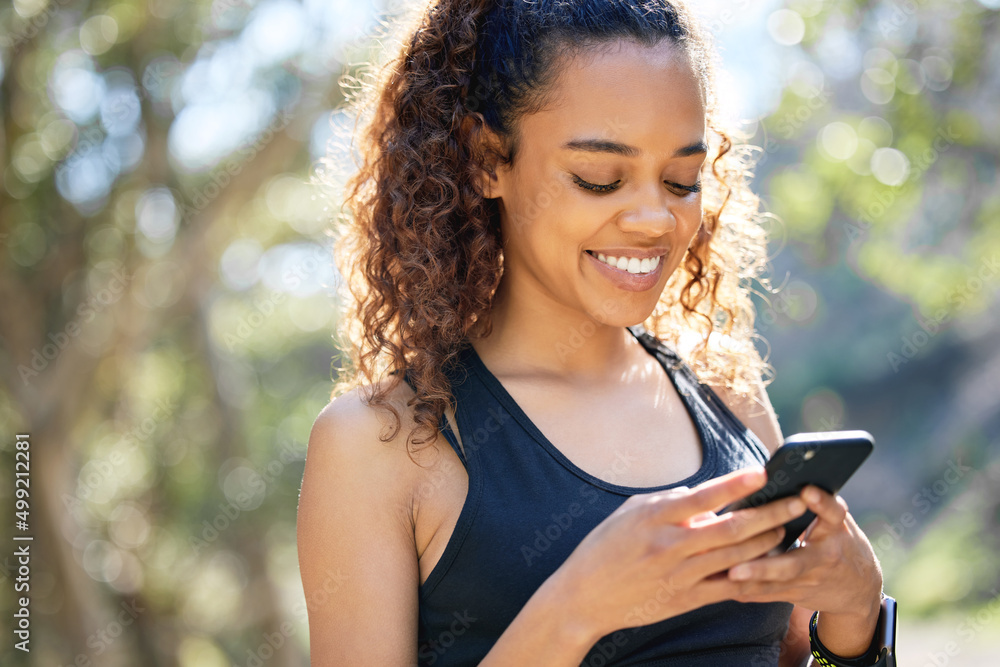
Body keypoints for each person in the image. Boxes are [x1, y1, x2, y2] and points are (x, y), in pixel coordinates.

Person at [296, 1, 885, 665]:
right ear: (487, 159)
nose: (653, 220)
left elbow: (799, 652)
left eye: (681, 180)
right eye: (599, 178)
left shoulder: (728, 394)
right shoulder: (382, 445)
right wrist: (575, 608)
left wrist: (859, 617)